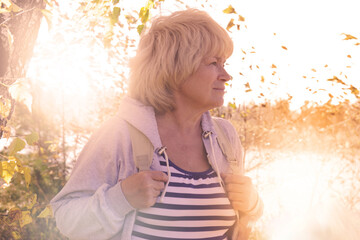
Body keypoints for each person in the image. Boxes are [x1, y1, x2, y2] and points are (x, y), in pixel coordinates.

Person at [50, 9, 263, 240]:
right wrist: (121, 199)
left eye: (224, 64)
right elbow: (66, 216)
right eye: (214, 63)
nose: (226, 75)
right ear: (176, 68)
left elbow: (244, 219)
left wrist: (253, 204)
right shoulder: (120, 133)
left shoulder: (225, 136)